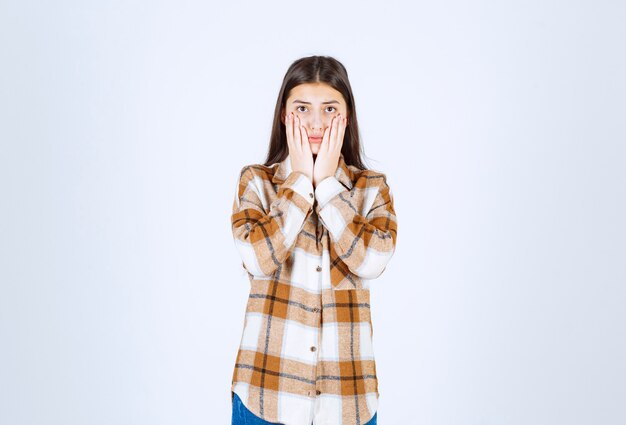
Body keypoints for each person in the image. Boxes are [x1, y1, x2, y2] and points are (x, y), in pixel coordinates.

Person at [230, 55, 398, 425]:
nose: (316, 122)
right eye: (302, 108)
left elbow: (372, 261)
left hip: (347, 404)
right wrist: (301, 184)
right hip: (265, 396)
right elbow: (258, 259)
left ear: (347, 116)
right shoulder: (256, 183)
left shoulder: (371, 189)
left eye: (330, 109)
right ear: (284, 115)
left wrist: (328, 188)